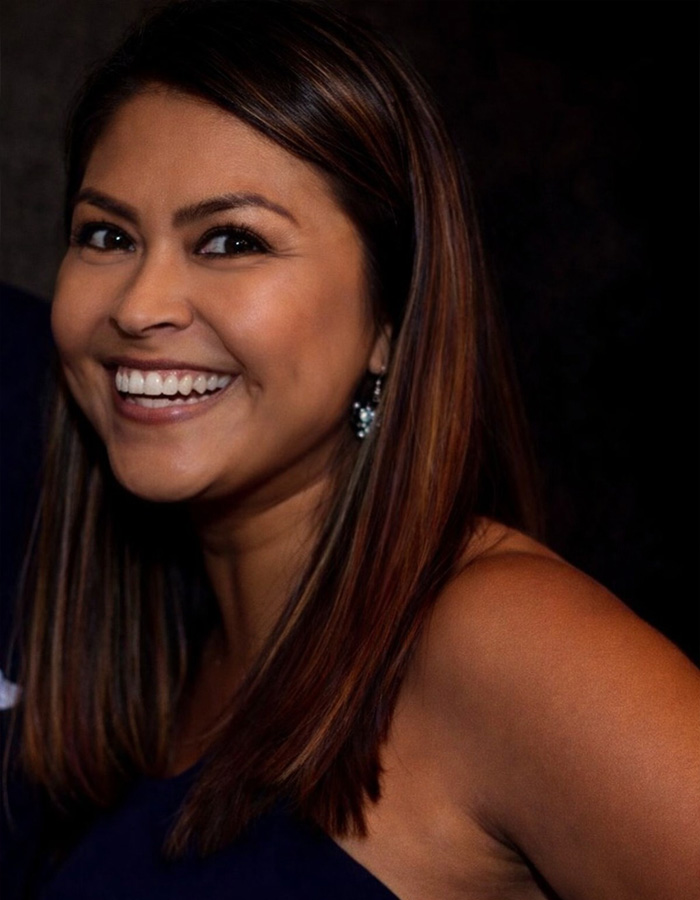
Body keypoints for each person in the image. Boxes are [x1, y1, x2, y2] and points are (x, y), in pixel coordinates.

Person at [3, 1, 698, 898]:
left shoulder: (499, 643)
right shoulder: (167, 663)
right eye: (108, 235)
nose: (140, 305)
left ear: (390, 321)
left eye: (232, 240)